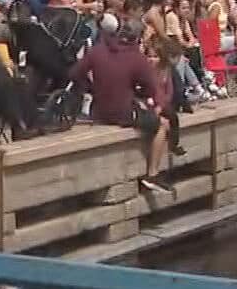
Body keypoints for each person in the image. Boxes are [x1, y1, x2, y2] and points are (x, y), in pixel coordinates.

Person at [68, 17, 172, 194]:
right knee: (162, 125)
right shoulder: (136, 58)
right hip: (122, 113)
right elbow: (150, 89)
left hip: (98, 111)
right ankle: (152, 174)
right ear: (137, 39)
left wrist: (90, 88)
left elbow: (74, 73)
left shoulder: (97, 50)